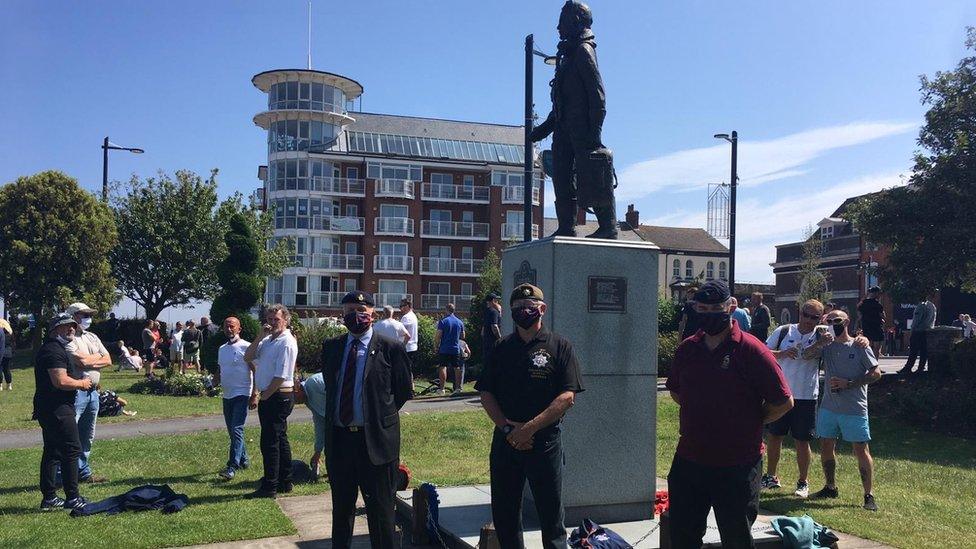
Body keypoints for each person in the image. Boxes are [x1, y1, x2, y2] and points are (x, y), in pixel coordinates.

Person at [665, 280, 794, 548]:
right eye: (702, 307)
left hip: (738, 464)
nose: (709, 313)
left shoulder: (752, 349)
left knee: (736, 539)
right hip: (690, 461)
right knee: (681, 537)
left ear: (730, 306)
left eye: (716, 307)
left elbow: (783, 401)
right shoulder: (688, 348)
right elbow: (677, 392)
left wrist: (753, 421)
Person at [475, 283, 584, 549]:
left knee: (551, 517)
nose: (524, 311)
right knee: (505, 515)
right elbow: (486, 393)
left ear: (542, 309)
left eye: (530, 307)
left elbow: (568, 396)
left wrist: (530, 429)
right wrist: (508, 429)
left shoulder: (560, 346)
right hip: (506, 442)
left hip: (544, 443)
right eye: (518, 308)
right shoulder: (501, 348)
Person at [321, 290, 412, 548]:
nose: (356, 316)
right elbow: (332, 387)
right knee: (342, 511)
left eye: (361, 312)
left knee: (381, 513)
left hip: (376, 443)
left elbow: (403, 391)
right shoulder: (332, 347)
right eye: (350, 312)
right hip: (340, 442)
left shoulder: (390, 348)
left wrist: (378, 415)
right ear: (343, 315)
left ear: (372, 314)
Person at [763, 300, 869, 498]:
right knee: (775, 436)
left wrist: (863, 339)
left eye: (814, 317)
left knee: (802, 440)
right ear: (800, 313)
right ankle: (771, 477)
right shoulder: (784, 331)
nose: (808, 320)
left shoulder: (823, 333)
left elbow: (845, 334)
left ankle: (803, 482)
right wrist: (783, 353)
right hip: (781, 392)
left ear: (820, 319)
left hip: (806, 395)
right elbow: (763, 353)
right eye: (805, 315)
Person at [807, 310, 882, 511]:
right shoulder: (827, 345)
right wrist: (820, 342)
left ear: (847, 322)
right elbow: (806, 355)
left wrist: (848, 383)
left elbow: (876, 373)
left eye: (837, 320)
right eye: (829, 320)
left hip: (854, 407)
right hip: (829, 407)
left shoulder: (859, 345)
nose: (833, 323)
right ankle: (830, 487)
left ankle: (868, 495)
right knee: (826, 445)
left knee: (860, 449)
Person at [35, 313, 92, 512]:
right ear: (54, 329)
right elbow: (60, 381)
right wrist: (82, 383)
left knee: (53, 451)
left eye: (73, 326)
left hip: (49, 407)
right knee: (71, 449)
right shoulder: (53, 350)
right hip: (57, 408)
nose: (71, 329)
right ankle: (73, 497)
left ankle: (49, 498)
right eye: (66, 326)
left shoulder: (55, 348)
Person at [244, 304, 298, 498]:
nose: (272, 323)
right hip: (271, 393)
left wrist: (264, 395)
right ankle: (285, 480)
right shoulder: (267, 340)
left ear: (285, 320)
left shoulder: (286, 342)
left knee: (270, 441)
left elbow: (282, 375)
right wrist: (259, 336)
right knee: (279, 438)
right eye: (269, 319)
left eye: (276, 319)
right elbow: (248, 356)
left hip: (278, 394)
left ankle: (270, 486)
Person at [64, 302, 112, 484]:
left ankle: (82, 472)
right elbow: (80, 362)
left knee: (87, 435)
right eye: (84, 314)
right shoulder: (68, 338)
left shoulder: (92, 336)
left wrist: (89, 361)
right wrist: (95, 359)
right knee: (70, 434)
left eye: (89, 314)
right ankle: (64, 475)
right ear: (73, 316)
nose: (88, 318)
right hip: (76, 391)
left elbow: (108, 359)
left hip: (93, 392)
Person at [217, 317, 253, 480]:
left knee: (237, 428)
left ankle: (232, 466)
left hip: (242, 393)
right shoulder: (222, 349)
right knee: (232, 430)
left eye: (232, 326)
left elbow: (256, 370)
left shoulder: (246, 347)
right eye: (226, 326)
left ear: (239, 329)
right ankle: (244, 459)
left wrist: (255, 394)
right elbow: (220, 370)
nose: (229, 329)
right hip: (227, 394)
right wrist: (212, 383)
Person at [900, 294, 937, 375]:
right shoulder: (932, 306)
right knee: (924, 351)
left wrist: (912, 330)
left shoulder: (920, 306)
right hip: (927, 330)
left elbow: (916, 320)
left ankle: (908, 367)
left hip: (918, 331)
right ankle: (921, 367)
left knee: (913, 350)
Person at [435, 303, 466, 395]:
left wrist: (436, 346)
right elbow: (463, 335)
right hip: (455, 348)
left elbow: (438, 336)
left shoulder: (443, 321)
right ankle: (458, 388)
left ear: (446, 310)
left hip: (444, 348)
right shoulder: (460, 322)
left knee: (443, 367)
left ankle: (442, 389)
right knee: (457, 368)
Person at [302, 371, 327, 480]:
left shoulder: (312, 385)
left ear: (297, 389)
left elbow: (328, 418)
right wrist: (317, 452)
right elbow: (320, 424)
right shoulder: (308, 400)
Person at [857, 286, 886, 358]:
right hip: (876, 326)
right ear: (876, 293)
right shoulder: (878, 304)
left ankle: (868, 363)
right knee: (877, 346)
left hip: (866, 326)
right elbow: (883, 316)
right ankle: (875, 363)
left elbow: (858, 310)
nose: (880, 295)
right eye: (879, 294)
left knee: (868, 345)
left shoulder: (864, 303)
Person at [399, 298, 419, 373]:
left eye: (402, 306)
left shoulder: (406, 317)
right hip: (413, 347)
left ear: (407, 306)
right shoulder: (413, 316)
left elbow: (400, 331)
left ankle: (407, 384)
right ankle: (411, 384)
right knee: (409, 370)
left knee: (404, 371)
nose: (401, 308)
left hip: (406, 347)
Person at [481, 293, 502, 364]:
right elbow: (494, 326)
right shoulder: (494, 312)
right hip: (493, 342)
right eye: (497, 300)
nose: (498, 302)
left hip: (486, 342)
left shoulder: (486, 311)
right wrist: (500, 338)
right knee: (495, 362)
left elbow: (483, 331)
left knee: (487, 363)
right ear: (493, 300)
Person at [0, 318, 12, 391]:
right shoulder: (9, 333)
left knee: (0, 369)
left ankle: (0, 385)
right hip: (8, 353)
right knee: (7, 369)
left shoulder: (1, 333)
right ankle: (9, 385)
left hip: (2, 352)